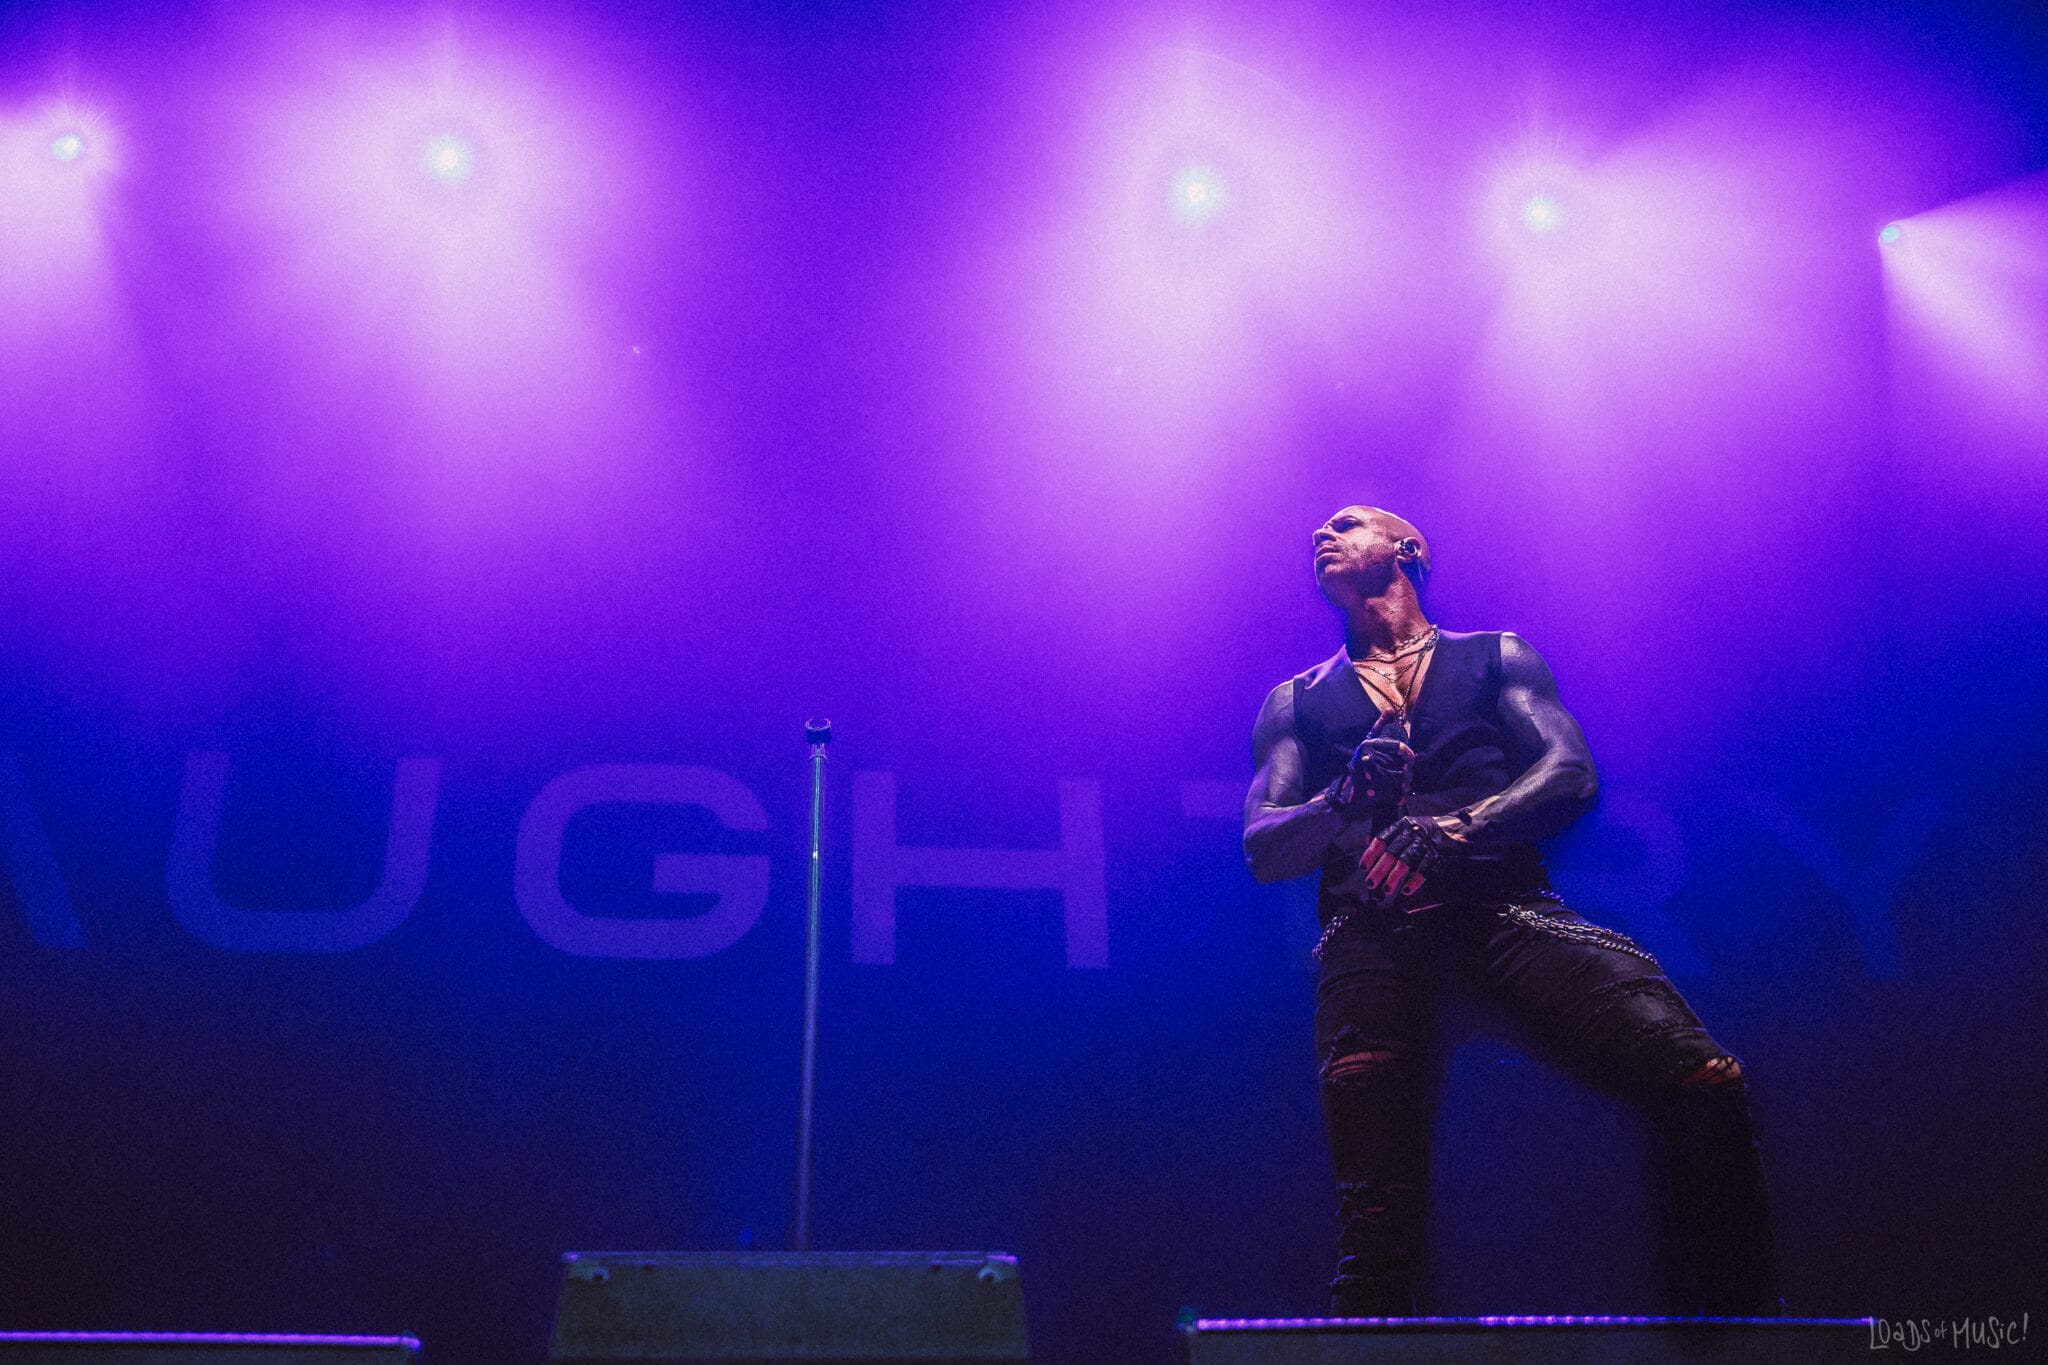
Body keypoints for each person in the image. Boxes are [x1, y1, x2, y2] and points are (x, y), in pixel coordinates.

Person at [1242, 505, 1782, 1318]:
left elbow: (1571, 772)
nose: (1323, 535)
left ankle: (1738, 1323)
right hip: (1372, 942)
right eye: (1320, 530)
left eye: (1348, 524)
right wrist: (1340, 798)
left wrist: (1457, 827)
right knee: (1374, 1220)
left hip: (1504, 912)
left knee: (1701, 1077)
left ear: (1407, 548)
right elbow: (1262, 845)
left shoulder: (1496, 656)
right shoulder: (1296, 701)